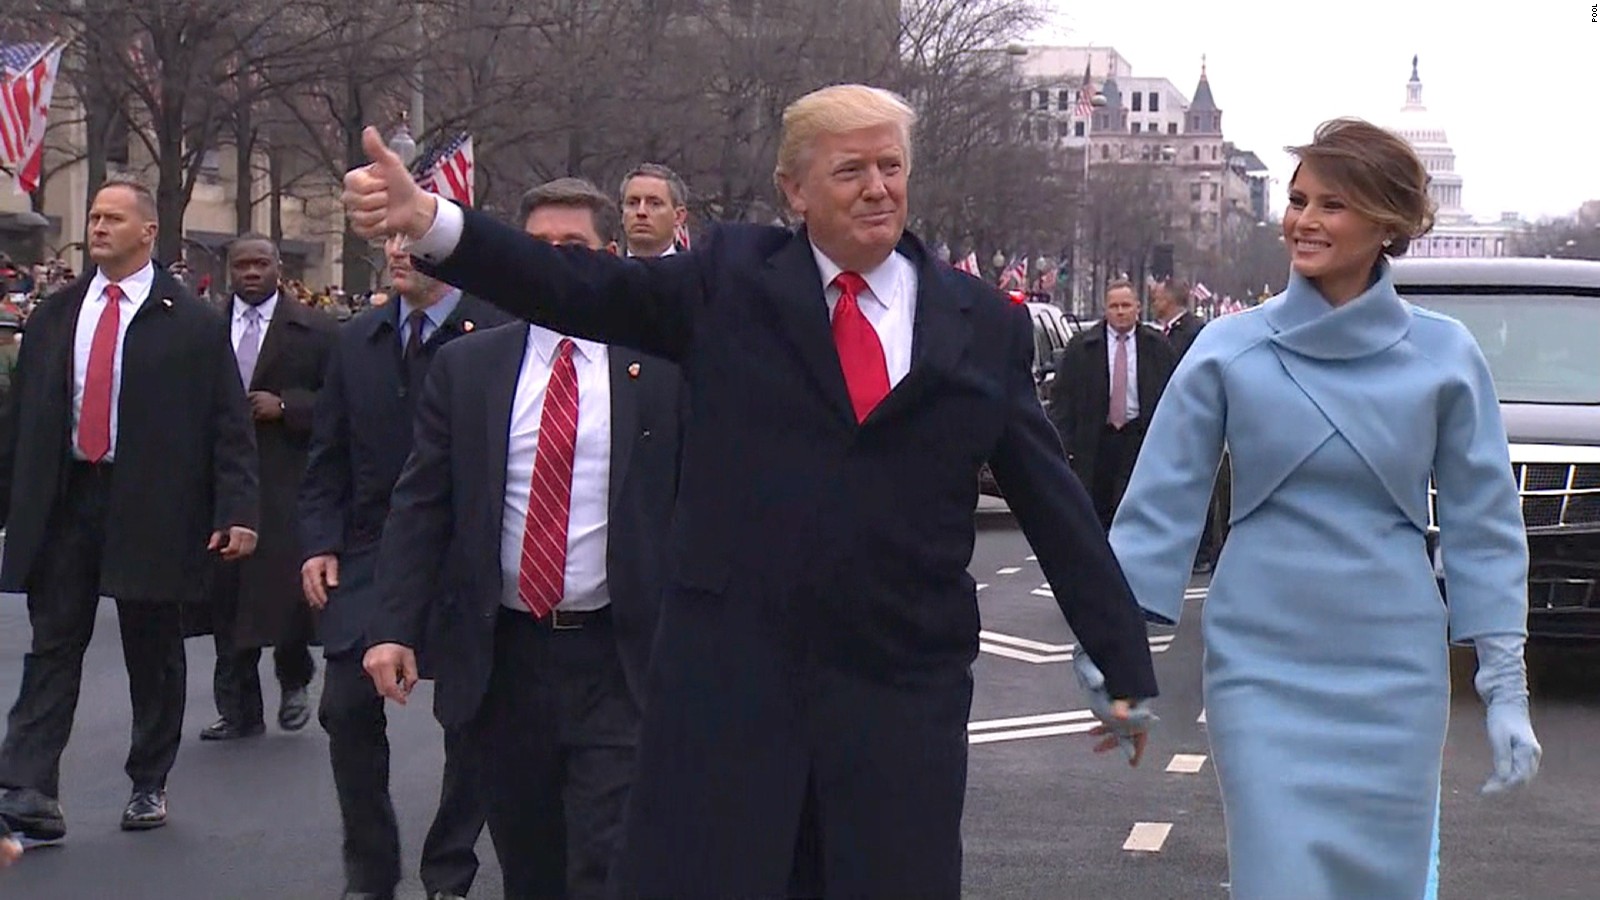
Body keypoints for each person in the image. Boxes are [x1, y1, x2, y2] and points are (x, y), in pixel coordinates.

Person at [343, 83, 1157, 898]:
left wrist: (1120, 659)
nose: (878, 187)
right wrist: (432, 221)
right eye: (851, 171)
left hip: (899, 697)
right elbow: (580, 288)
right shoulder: (729, 283)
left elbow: (1051, 500)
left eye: (891, 166)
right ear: (795, 191)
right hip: (734, 691)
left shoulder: (981, 322)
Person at [1107, 117, 1541, 900]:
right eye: (1299, 199)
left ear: (1388, 223)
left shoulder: (1447, 357)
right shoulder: (1226, 350)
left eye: (1331, 205)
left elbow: (1485, 525)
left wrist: (1505, 687)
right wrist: (1114, 660)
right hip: (1260, 670)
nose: (1303, 220)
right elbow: (1159, 511)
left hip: (1394, 675)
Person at [365, 177, 683, 899]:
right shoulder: (469, 367)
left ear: (609, 259)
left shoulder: (660, 371)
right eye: (538, 251)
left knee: (606, 859)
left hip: (619, 657)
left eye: (574, 250)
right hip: (505, 658)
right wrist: (393, 628)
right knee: (531, 861)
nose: (555, 267)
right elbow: (423, 505)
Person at [0, 176, 259, 840]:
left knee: (153, 648)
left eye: (114, 217)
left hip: (152, 502)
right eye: (93, 216)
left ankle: (149, 780)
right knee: (54, 641)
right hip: (67, 500)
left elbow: (228, 424)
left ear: (148, 231)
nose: (99, 227)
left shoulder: (193, 323)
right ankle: (28, 788)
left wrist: (237, 510)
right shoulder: (56, 315)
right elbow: (21, 418)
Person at [299, 236, 509, 900]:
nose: (396, 254)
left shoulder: (497, 334)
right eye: (388, 243)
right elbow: (326, 455)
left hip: (469, 554)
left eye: (413, 243)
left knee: (472, 721)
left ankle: (448, 866)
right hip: (372, 553)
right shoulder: (358, 339)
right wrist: (318, 541)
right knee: (344, 707)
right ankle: (370, 870)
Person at [202, 235, 337, 741]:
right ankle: (238, 708)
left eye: (261, 264)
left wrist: (287, 407)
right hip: (222, 479)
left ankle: (294, 677)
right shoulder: (205, 329)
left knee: (283, 593)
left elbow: (342, 404)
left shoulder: (315, 330)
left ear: (278, 268)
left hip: (287, 474)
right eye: (242, 265)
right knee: (227, 595)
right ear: (229, 269)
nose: (251, 273)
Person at [1049, 279, 1176, 532]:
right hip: (1096, 443)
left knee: (1133, 514)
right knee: (1096, 517)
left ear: (1138, 308)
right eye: (1114, 306)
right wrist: (1064, 446)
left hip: (1138, 440)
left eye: (1126, 305)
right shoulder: (1082, 348)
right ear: (1105, 309)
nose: (1120, 312)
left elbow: (1173, 398)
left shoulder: (1156, 347)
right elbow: (1063, 400)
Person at [618, 163, 689, 258]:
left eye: (655, 204)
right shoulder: (603, 271)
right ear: (622, 212)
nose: (641, 212)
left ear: (678, 216)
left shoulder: (701, 271)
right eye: (632, 203)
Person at [1150, 276, 1203, 361]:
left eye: (1156, 299)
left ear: (1169, 300)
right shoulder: (1169, 330)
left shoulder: (1192, 331)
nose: (1153, 305)